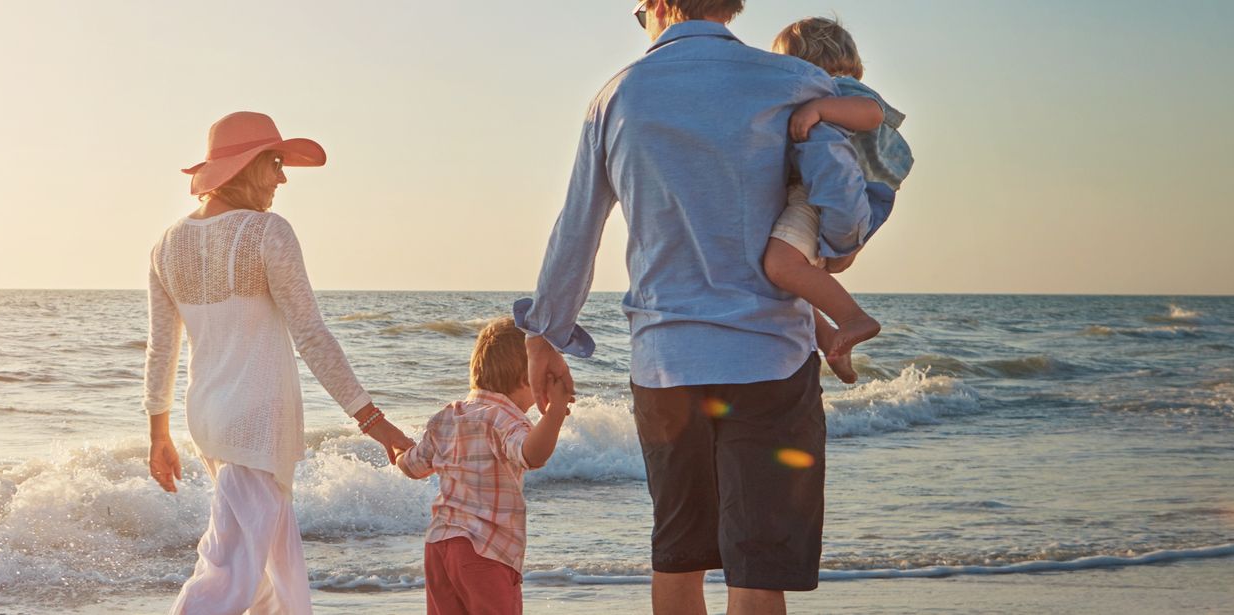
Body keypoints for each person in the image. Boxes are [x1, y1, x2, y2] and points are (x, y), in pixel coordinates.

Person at [514, 1, 873, 613]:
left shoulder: (616, 97)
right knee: (758, 573)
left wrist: (545, 333)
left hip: (666, 365)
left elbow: (578, 229)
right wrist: (837, 243)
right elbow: (843, 209)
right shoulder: (791, 81)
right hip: (770, 363)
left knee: (679, 560)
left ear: (657, 4)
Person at [142, 111, 416, 615]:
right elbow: (312, 337)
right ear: (244, 166)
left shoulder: (165, 246)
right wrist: (376, 424)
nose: (282, 177)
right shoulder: (268, 232)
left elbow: (163, 350)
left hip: (207, 419)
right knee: (227, 575)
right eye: (274, 162)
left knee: (272, 572)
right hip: (257, 424)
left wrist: (159, 435)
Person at [762, 16, 914, 383]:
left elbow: (872, 114)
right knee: (796, 277)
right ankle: (830, 340)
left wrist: (818, 109)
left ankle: (852, 319)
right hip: (843, 197)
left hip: (826, 196)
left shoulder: (837, 89)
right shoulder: (827, 94)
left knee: (780, 266)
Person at [395, 317, 573, 615]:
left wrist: (398, 452)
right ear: (524, 379)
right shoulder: (505, 418)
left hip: (439, 547)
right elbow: (532, 455)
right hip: (486, 553)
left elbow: (414, 466)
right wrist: (555, 413)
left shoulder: (445, 417)